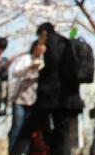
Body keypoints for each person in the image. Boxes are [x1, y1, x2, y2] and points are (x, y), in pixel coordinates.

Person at [27, 22, 84, 155]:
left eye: (39, 37)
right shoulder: (66, 43)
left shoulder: (49, 44)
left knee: (43, 127)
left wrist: (39, 57)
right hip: (68, 97)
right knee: (63, 133)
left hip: (50, 96)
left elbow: (49, 66)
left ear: (44, 33)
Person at [9, 39, 46, 153]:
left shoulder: (43, 62)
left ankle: (23, 151)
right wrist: (29, 67)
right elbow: (15, 72)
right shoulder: (25, 59)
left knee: (27, 129)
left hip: (33, 100)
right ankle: (12, 151)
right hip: (20, 98)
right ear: (34, 47)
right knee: (17, 126)